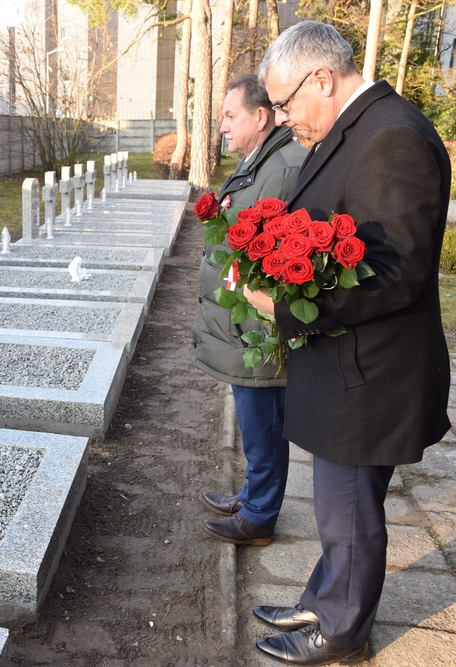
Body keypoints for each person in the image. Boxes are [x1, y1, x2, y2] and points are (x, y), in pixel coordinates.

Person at [244, 21, 451, 666]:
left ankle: (342, 630)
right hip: (348, 364)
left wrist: (289, 305)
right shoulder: (357, 128)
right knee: (338, 504)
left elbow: (398, 272)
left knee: (350, 510)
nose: (281, 119)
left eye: (284, 104)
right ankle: (324, 597)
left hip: (372, 371)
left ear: (323, 80)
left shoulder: (391, 137)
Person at [193, 73, 306, 546]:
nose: (221, 126)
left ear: (260, 117)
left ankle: (260, 515)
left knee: (264, 420)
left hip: (256, 325)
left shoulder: (281, 167)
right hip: (242, 320)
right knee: (256, 419)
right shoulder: (261, 161)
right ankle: (254, 493)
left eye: (229, 116)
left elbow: (273, 253)